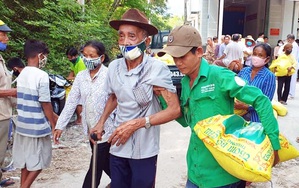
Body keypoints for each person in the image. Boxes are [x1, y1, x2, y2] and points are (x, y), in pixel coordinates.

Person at [157, 25, 280, 188]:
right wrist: (164, 97)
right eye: (174, 57)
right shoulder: (186, 82)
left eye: (182, 56)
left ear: (199, 52)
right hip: (196, 169)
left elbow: (261, 100)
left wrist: (273, 144)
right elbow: (187, 121)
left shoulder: (220, 76)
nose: (177, 62)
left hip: (223, 175)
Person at [90, 8, 181, 188]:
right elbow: (114, 97)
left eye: (132, 36)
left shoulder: (157, 69)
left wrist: (137, 124)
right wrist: (101, 122)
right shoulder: (114, 67)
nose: (125, 42)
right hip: (118, 144)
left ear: (146, 41)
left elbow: (174, 110)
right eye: (121, 36)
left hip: (145, 149)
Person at [54, 40, 113, 188]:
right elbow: (72, 102)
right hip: (90, 129)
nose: (87, 59)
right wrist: (60, 125)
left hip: (108, 130)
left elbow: (116, 100)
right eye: (85, 55)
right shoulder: (81, 77)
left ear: (102, 58)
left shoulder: (109, 75)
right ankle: (123, 182)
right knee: (105, 164)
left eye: (91, 55)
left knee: (96, 167)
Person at [12, 39, 56, 188]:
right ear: (40, 55)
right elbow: (45, 102)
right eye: (44, 56)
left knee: (27, 163)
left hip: (23, 125)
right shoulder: (41, 75)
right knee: (39, 163)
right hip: (37, 127)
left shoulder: (22, 74)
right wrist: (53, 123)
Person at [236, 43, 276, 122]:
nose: (256, 57)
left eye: (260, 55)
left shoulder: (269, 76)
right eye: (254, 54)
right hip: (237, 114)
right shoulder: (244, 71)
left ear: (267, 59)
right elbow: (235, 88)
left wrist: (246, 107)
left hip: (256, 118)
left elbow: (266, 101)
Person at [0, 20, 16, 187]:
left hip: (5, 112)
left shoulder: (1, 58)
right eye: (3, 34)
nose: (6, 38)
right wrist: (14, 92)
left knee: (2, 151)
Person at [66, 47, 86, 125]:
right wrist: (67, 78)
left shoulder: (81, 62)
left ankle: (80, 119)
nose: (70, 59)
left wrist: (71, 78)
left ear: (76, 55)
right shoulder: (72, 62)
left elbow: (80, 76)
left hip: (82, 82)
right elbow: (72, 72)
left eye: (71, 57)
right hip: (76, 82)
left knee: (78, 101)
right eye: (68, 57)